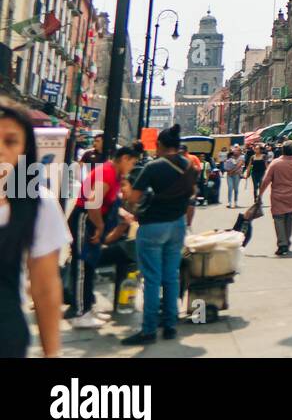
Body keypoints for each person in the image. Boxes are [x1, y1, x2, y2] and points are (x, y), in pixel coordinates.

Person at [0, 98, 70, 357]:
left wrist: (52, 353)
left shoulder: (40, 205)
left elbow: (45, 286)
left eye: (10, 141)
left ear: (24, 150)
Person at [122, 125, 197, 346]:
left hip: (153, 227)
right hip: (177, 226)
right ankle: (170, 325)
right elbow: (192, 195)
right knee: (171, 276)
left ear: (160, 145)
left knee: (152, 279)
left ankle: (148, 330)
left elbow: (134, 198)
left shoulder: (154, 167)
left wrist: (128, 188)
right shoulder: (191, 166)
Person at [67, 144, 139, 328]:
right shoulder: (107, 172)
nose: (131, 167)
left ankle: (87, 308)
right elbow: (93, 202)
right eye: (132, 163)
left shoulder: (115, 175)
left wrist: (123, 213)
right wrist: (99, 226)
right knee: (83, 265)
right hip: (85, 218)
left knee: (90, 265)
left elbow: (110, 202)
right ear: (124, 159)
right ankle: (80, 313)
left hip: (92, 218)